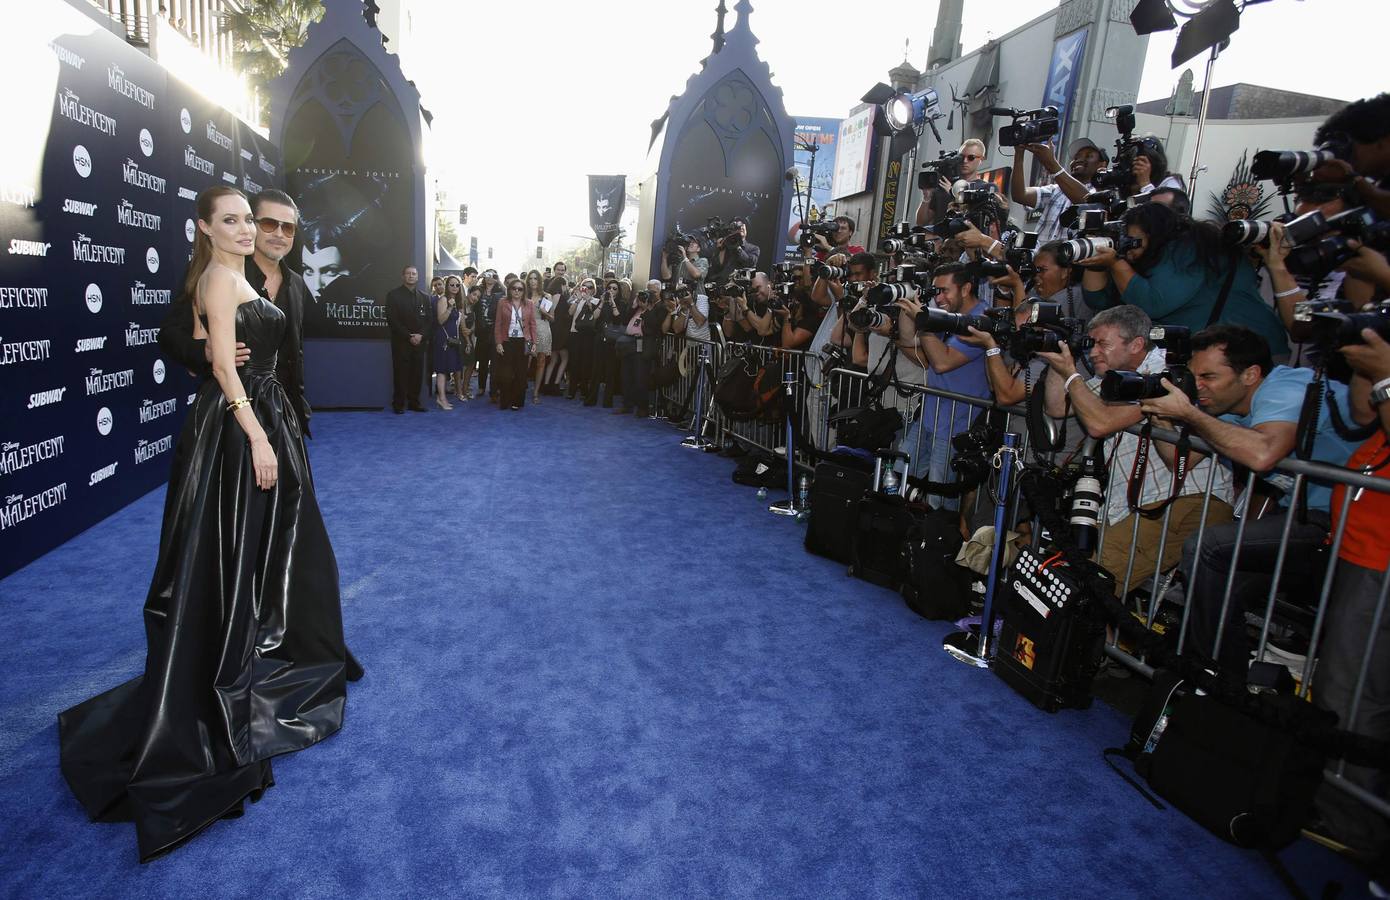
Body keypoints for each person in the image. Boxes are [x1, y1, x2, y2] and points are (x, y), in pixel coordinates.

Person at [58, 186, 361, 863]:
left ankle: (287, 643)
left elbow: (221, 338)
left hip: (269, 416)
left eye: (255, 221)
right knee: (232, 550)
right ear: (205, 227)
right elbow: (217, 359)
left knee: (282, 547)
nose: (254, 230)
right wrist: (253, 429)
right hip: (244, 426)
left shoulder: (233, 278)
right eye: (238, 219)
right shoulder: (222, 275)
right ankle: (238, 661)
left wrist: (267, 405)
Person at [1135, 324, 1361, 671]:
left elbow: (1263, 454)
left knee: (1208, 547)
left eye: (1209, 376)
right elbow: (1179, 459)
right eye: (1194, 376)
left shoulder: (1286, 387)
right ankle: (1225, 680)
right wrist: (1164, 419)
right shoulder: (1232, 409)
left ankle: (1211, 672)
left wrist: (1190, 414)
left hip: (1348, 520)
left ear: (1251, 374)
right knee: (1225, 584)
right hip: (1310, 516)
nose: (1198, 386)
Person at [1037, 304, 1235, 593]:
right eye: (1091, 345)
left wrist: (1071, 373)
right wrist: (1060, 360)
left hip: (1184, 500)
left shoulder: (1166, 373)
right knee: (1063, 566)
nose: (1093, 353)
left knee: (1089, 579)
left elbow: (1099, 424)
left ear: (1137, 344)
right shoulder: (1113, 377)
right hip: (1133, 503)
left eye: (1103, 344)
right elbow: (1056, 406)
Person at [158, 188, 313, 437]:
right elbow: (170, 333)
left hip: (282, 411)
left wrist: (298, 406)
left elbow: (295, 350)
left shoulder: (296, 284)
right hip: (235, 411)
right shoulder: (217, 274)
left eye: (288, 228)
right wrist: (203, 352)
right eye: (269, 224)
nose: (279, 234)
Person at [1078, 201, 1290, 358]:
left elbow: (1153, 304)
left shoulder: (1189, 248)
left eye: (1135, 241)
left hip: (1252, 353)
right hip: (1214, 355)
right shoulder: (1150, 259)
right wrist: (1096, 259)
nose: (1130, 248)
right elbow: (1098, 300)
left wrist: (1116, 263)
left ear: (1156, 234)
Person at [1010, 138, 1108, 244]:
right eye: (1076, 157)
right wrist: (1019, 155)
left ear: (1102, 165)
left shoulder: (1102, 193)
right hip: (1041, 258)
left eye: (1088, 156)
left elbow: (1087, 201)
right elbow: (1020, 195)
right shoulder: (1056, 190)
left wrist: (1051, 163)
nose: (1079, 160)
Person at [385, 265, 432, 413]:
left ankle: (414, 403)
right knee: (400, 374)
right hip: (401, 342)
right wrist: (408, 336)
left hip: (419, 342)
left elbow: (430, 321)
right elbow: (393, 320)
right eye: (408, 273)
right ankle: (398, 404)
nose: (411, 276)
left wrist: (421, 336)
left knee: (417, 374)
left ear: (417, 277)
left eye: (414, 274)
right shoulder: (393, 295)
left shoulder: (425, 297)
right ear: (403, 276)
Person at [915, 138, 986, 227]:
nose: (965, 161)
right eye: (961, 157)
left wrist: (952, 192)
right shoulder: (943, 186)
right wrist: (926, 197)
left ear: (981, 160)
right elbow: (921, 222)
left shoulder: (984, 188)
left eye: (971, 157)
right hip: (939, 239)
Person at [493, 278, 535, 410]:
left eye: (520, 289)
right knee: (505, 373)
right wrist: (498, 342)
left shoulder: (530, 304)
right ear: (509, 289)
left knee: (521, 373)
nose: (517, 291)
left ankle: (517, 401)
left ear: (524, 291)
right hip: (507, 341)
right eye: (514, 288)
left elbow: (533, 324)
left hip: (524, 341)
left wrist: (534, 343)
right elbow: (498, 324)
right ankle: (505, 401)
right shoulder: (502, 302)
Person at [430, 276, 461, 410]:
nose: (455, 288)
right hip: (443, 339)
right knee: (442, 370)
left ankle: (441, 398)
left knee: (447, 368)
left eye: (457, 285)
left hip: (451, 339)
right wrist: (449, 307)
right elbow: (440, 320)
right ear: (447, 286)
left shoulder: (455, 300)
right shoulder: (443, 299)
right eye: (452, 285)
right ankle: (441, 398)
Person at [568, 278, 600, 400]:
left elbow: (596, 316)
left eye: (590, 287)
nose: (587, 289)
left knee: (586, 363)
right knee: (574, 362)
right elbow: (570, 313)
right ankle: (572, 389)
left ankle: (584, 388)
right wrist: (578, 299)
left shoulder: (596, 301)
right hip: (575, 333)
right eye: (584, 286)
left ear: (594, 290)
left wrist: (588, 301)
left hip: (588, 335)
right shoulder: (577, 299)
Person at [525, 270, 552, 404]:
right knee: (525, 361)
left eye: (536, 278)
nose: (533, 281)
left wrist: (544, 312)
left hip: (542, 330)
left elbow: (553, 318)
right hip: (526, 330)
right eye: (531, 278)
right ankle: (521, 387)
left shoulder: (547, 296)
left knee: (541, 362)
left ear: (540, 281)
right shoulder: (523, 295)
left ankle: (536, 393)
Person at [542, 274, 571, 396]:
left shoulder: (548, 295)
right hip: (560, 330)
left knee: (553, 359)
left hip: (553, 329)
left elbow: (545, 310)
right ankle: (556, 383)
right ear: (562, 285)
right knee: (564, 358)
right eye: (566, 285)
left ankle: (547, 384)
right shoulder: (558, 295)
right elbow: (553, 312)